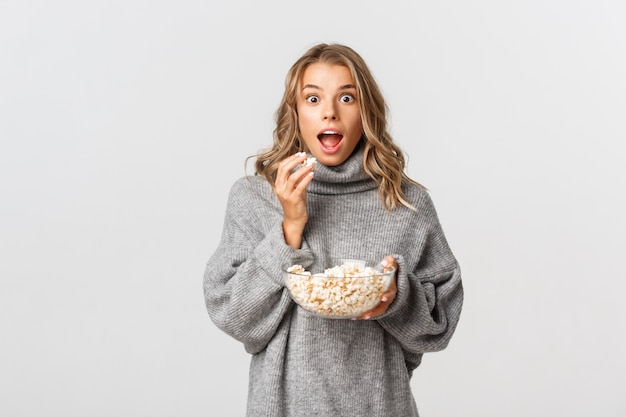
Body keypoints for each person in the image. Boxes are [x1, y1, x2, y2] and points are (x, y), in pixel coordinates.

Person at [203, 43, 463, 417]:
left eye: (346, 97)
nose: (329, 112)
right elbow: (236, 318)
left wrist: (397, 297)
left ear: (366, 111)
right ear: (295, 112)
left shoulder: (406, 202)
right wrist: (290, 227)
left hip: (382, 406)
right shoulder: (255, 196)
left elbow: (440, 325)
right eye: (312, 99)